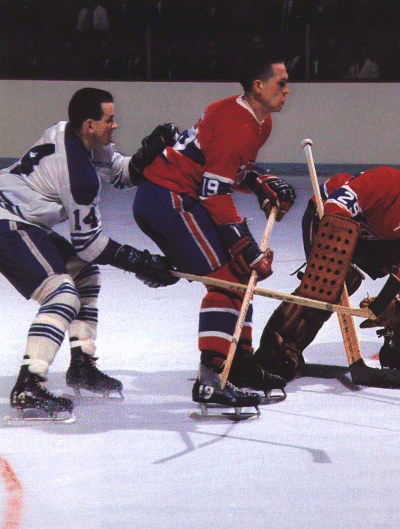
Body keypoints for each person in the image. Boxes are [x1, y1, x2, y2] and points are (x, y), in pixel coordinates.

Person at [132, 52, 296, 413]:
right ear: (258, 86)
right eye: (281, 83)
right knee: (230, 279)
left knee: (239, 276)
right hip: (167, 198)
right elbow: (213, 191)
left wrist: (258, 183)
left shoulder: (257, 120)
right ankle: (211, 381)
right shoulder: (239, 125)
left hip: (178, 194)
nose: (288, 89)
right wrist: (247, 247)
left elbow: (224, 168)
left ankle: (240, 364)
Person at [1, 87, 179, 419]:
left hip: (21, 217)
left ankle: (81, 366)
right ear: (90, 125)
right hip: (7, 221)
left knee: (84, 273)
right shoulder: (78, 176)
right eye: (109, 120)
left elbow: (121, 174)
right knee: (62, 296)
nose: (116, 125)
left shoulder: (73, 134)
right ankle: (28, 384)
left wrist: (147, 155)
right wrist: (140, 262)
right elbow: (90, 244)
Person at [255, 156, 400, 380]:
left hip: (371, 237)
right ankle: (282, 347)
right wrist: (337, 258)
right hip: (327, 218)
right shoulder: (384, 181)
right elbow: (336, 207)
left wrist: (394, 306)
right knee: (335, 278)